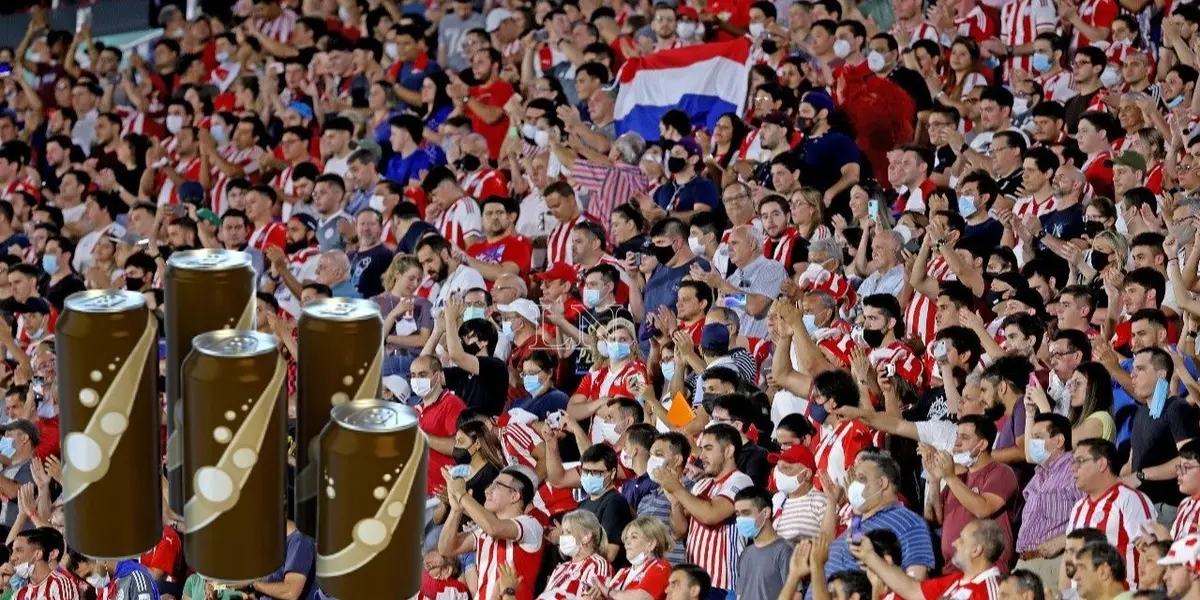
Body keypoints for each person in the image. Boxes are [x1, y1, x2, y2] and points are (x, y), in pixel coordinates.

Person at [658, 424, 753, 597]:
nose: (702, 456)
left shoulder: (741, 481)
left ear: (729, 450)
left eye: (708, 448)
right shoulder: (702, 484)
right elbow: (679, 531)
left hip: (722, 584)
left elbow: (711, 515)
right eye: (701, 449)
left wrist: (678, 489)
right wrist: (675, 501)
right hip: (695, 585)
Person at [851, 519, 1006, 600]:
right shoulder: (954, 581)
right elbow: (913, 589)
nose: (954, 543)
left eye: (961, 540)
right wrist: (870, 557)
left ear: (976, 550)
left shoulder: (993, 591)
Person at [733, 486, 792, 600]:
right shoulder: (745, 553)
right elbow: (740, 595)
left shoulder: (785, 550)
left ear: (765, 513)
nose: (740, 519)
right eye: (738, 514)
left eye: (746, 513)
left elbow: (795, 595)